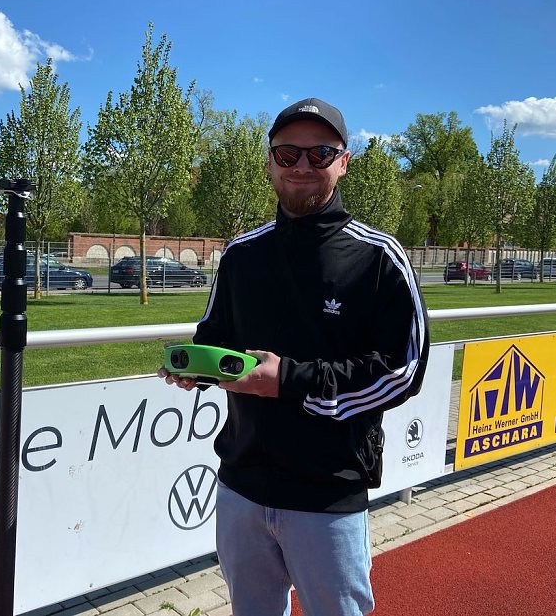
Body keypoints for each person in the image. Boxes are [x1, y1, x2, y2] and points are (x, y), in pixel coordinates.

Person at [159, 97, 429, 616]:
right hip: (241, 488)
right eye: (288, 154)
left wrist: (290, 379)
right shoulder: (241, 254)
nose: (302, 165)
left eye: (319, 153)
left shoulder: (379, 257)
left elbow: (404, 369)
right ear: (270, 162)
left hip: (326, 496)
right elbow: (216, 339)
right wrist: (195, 369)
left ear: (343, 162)